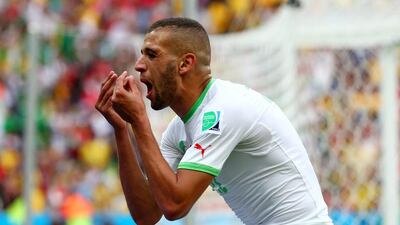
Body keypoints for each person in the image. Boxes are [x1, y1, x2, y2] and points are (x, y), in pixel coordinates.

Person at [95, 17, 333, 225]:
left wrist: (139, 120)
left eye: (152, 54)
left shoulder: (224, 109)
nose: (138, 66)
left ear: (185, 64)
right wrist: (121, 130)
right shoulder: (178, 132)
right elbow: (147, 215)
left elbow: (175, 205)